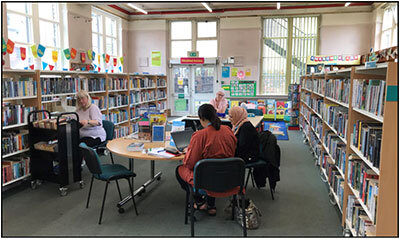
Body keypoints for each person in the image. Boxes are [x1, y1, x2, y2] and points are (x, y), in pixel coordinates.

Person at [176, 104, 237, 216]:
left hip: (207, 180)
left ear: (202, 118)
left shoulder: (199, 135)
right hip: (229, 178)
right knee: (214, 167)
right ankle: (211, 205)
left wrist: (189, 151)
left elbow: (190, 164)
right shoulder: (228, 130)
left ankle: (198, 200)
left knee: (180, 170)